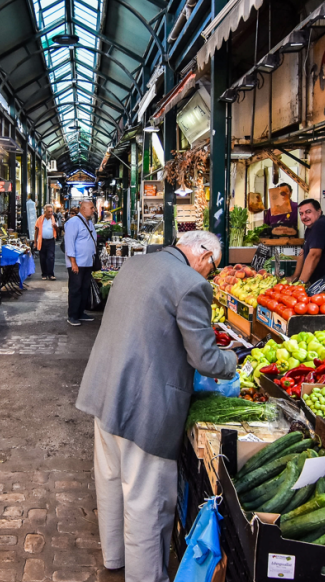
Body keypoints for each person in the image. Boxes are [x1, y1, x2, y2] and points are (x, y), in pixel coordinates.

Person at [76, 230, 237, 582]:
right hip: (144, 405)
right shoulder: (191, 284)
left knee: (110, 480)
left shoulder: (135, 265)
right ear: (203, 253)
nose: (209, 273)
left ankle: (114, 557)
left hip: (105, 389)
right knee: (146, 502)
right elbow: (206, 358)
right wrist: (234, 361)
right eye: (213, 266)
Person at [63, 200, 97, 326]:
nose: (94, 210)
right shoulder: (73, 223)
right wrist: (73, 262)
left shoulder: (90, 223)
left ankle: (81, 312)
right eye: (91, 208)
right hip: (77, 262)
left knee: (84, 289)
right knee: (75, 289)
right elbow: (69, 243)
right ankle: (72, 315)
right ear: (83, 209)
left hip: (88, 262)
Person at [35, 204, 59, 280]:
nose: (50, 213)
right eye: (49, 211)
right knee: (43, 258)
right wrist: (35, 241)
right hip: (42, 241)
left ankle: (51, 274)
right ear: (45, 211)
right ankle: (44, 274)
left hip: (51, 241)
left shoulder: (53, 219)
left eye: (51, 211)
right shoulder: (40, 219)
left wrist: (55, 226)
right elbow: (36, 230)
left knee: (50, 257)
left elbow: (58, 230)